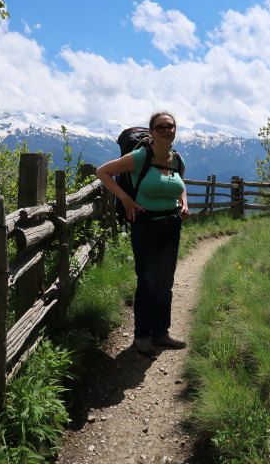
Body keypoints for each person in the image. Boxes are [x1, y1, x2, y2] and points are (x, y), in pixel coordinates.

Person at [96, 111, 190, 357]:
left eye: (170, 126)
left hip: (171, 226)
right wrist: (126, 199)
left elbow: (180, 184)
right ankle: (142, 336)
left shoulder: (177, 159)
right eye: (161, 127)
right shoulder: (141, 156)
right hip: (146, 227)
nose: (167, 130)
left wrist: (184, 202)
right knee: (148, 282)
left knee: (165, 283)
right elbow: (103, 172)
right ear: (152, 132)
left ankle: (161, 332)